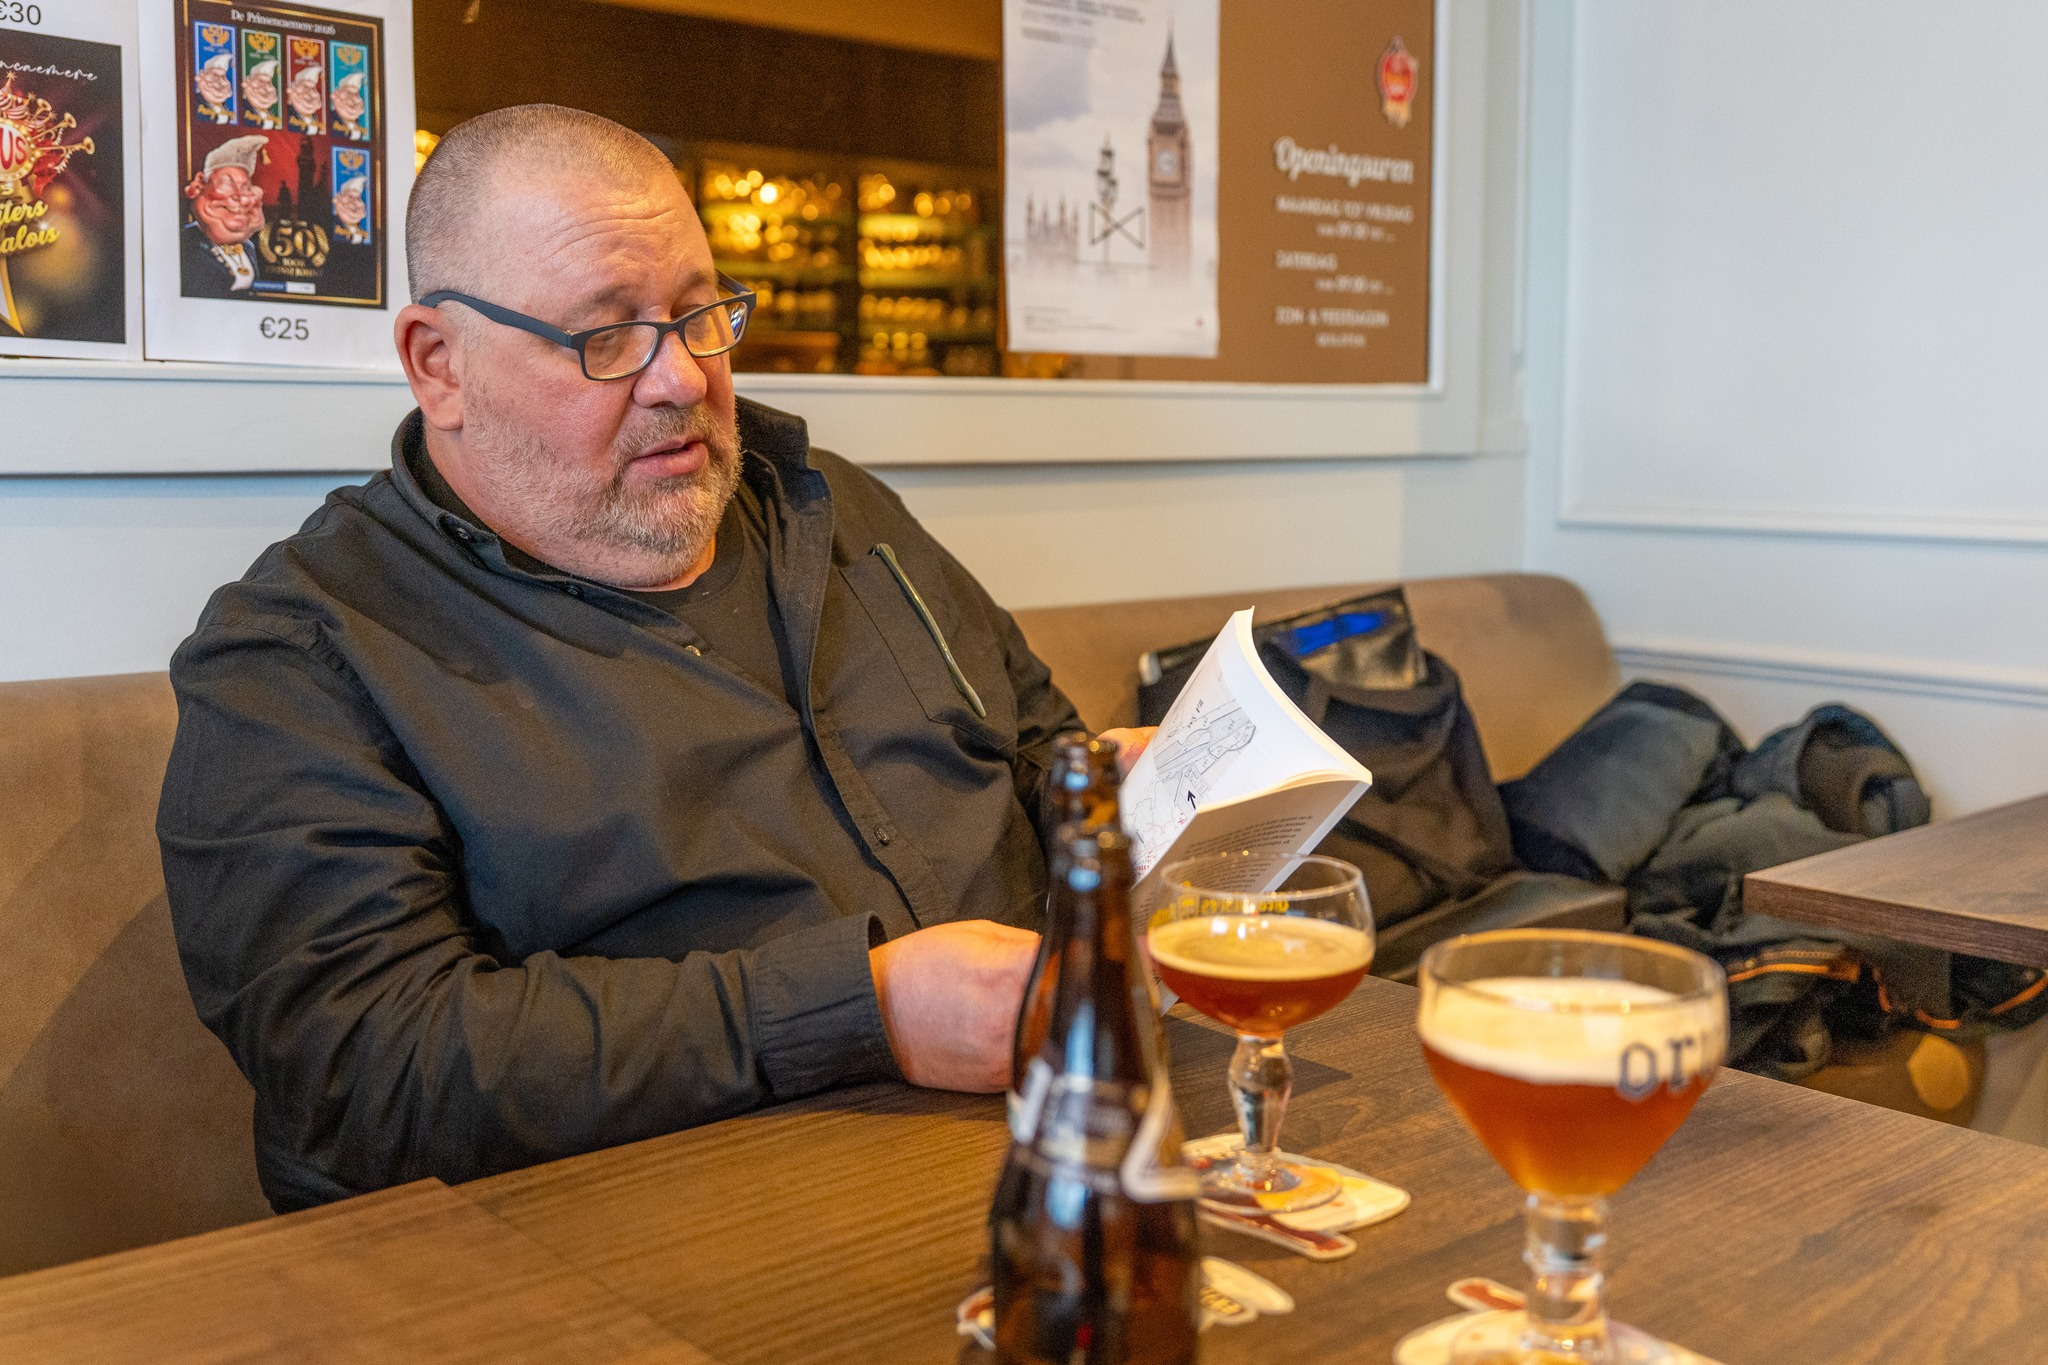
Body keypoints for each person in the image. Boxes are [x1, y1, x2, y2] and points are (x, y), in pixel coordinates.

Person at [159, 103, 1149, 1213]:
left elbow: (1031, 740)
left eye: (699, 314)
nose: (681, 377)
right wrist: (861, 1009)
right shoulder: (302, 650)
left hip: (1066, 1140)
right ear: (439, 364)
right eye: (607, 337)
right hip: (644, 1236)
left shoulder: (834, 507)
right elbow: (363, 1071)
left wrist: (1122, 796)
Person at [180, 134, 269, 297]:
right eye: (227, 184)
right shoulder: (185, 243)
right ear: (201, 184)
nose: (240, 197)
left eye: (245, 188)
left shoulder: (248, 247)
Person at [193, 51, 235, 124]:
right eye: (214, 75)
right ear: (203, 75)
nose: (218, 81)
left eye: (223, 77)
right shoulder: (195, 102)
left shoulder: (225, 105)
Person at [241, 58, 283, 130]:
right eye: (260, 81)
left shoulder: (270, 111)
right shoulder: (243, 107)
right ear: (249, 82)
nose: (265, 87)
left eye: (268, 83)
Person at [331, 175, 371, 244]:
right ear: (339, 198)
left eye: (358, 198)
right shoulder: (333, 225)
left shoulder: (361, 227)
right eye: (351, 197)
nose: (355, 203)